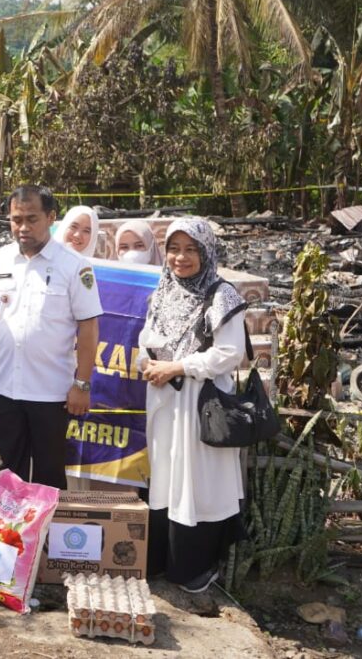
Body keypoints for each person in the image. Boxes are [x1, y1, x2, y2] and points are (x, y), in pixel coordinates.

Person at [139, 217, 247, 593]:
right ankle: (163, 562)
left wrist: (179, 366)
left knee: (200, 485)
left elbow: (231, 353)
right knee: (168, 478)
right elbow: (148, 338)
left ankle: (195, 567)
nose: (180, 258)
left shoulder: (222, 295)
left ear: (206, 252)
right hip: (165, 401)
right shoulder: (163, 290)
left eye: (190, 250)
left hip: (202, 406)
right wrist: (150, 364)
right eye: (174, 249)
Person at [0, 185, 101, 489]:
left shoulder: (75, 266)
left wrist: (81, 384)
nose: (23, 227)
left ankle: (47, 537)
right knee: (9, 471)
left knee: (49, 473)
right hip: (5, 387)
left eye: (32, 218)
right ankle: (9, 536)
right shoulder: (0, 260)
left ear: (51, 217)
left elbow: (88, 328)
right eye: (16, 220)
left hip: (52, 393)